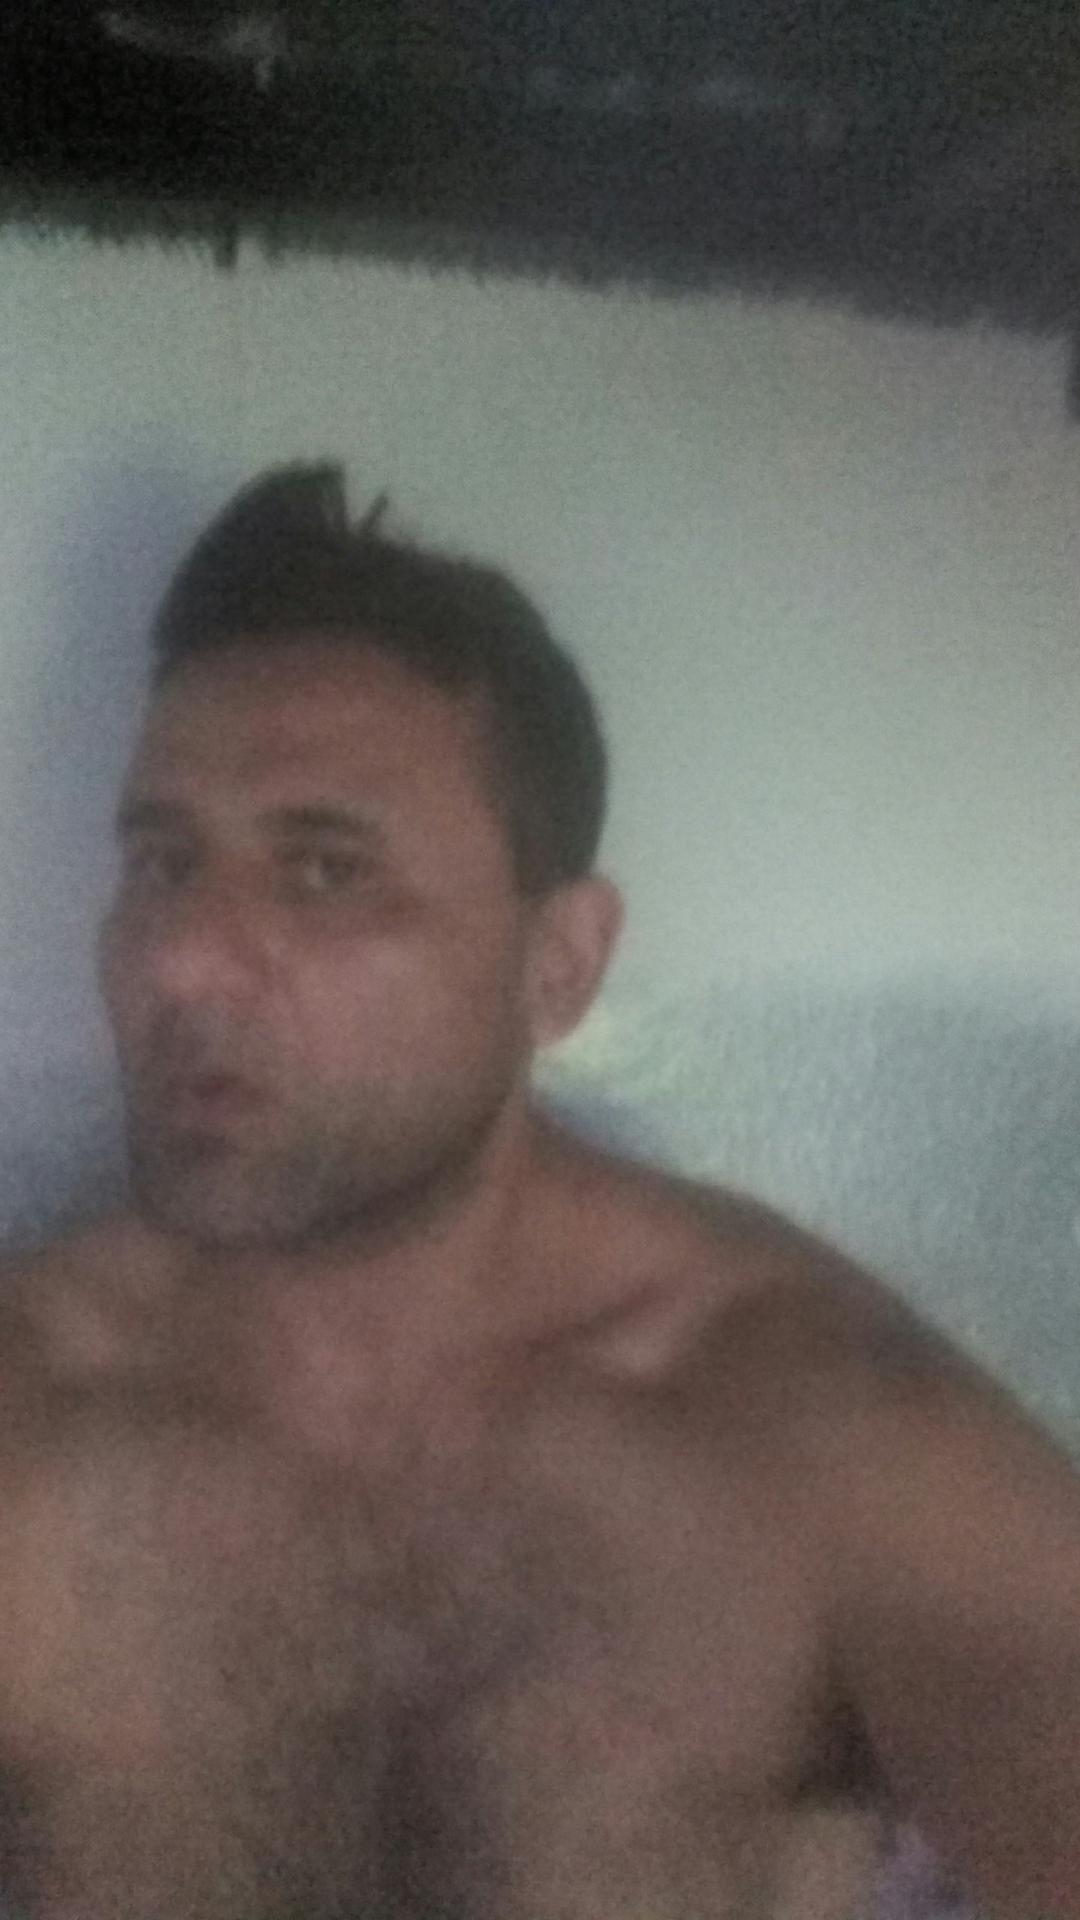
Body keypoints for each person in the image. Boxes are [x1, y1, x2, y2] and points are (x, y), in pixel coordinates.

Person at [0, 463, 1077, 1920]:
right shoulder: (33, 1413)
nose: (182, 958)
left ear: (558, 965)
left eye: (324, 869)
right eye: (162, 860)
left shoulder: (820, 1442)